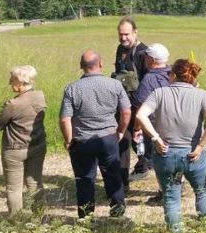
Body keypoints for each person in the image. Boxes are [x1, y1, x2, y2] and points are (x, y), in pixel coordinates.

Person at [136, 59, 206, 233]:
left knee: (171, 197)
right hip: (193, 154)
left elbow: (141, 115)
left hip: (166, 153)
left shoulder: (159, 93)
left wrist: (155, 138)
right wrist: (200, 145)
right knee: (202, 191)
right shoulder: (202, 95)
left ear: (173, 75)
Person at [60, 50, 131, 218]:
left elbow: (65, 119)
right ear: (101, 64)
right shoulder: (115, 85)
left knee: (85, 179)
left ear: (81, 67)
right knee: (113, 175)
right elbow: (126, 112)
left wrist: (69, 140)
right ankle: (117, 211)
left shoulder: (72, 88)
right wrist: (120, 131)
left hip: (83, 140)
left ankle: (86, 216)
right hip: (108, 137)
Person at [0, 65, 46, 215]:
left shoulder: (13, 104)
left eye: (12, 79)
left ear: (21, 82)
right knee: (35, 184)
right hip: (37, 145)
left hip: (14, 149)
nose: (10, 82)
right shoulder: (40, 96)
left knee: (14, 188)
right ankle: (39, 217)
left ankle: (17, 221)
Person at [129, 43, 172, 197]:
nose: (145, 59)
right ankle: (176, 185)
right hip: (177, 122)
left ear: (152, 60)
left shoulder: (148, 79)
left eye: (147, 57)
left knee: (159, 158)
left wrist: (137, 128)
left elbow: (140, 107)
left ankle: (165, 192)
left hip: (156, 125)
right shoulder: (174, 72)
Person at [113, 17, 148, 186]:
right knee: (123, 140)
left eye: (126, 34)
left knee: (141, 140)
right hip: (122, 105)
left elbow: (149, 84)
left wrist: (142, 110)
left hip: (140, 106)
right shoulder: (120, 49)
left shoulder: (143, 53)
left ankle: (147, 165)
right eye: (121, 34)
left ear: (135, 32)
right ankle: (122, 181)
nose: (123, 38)